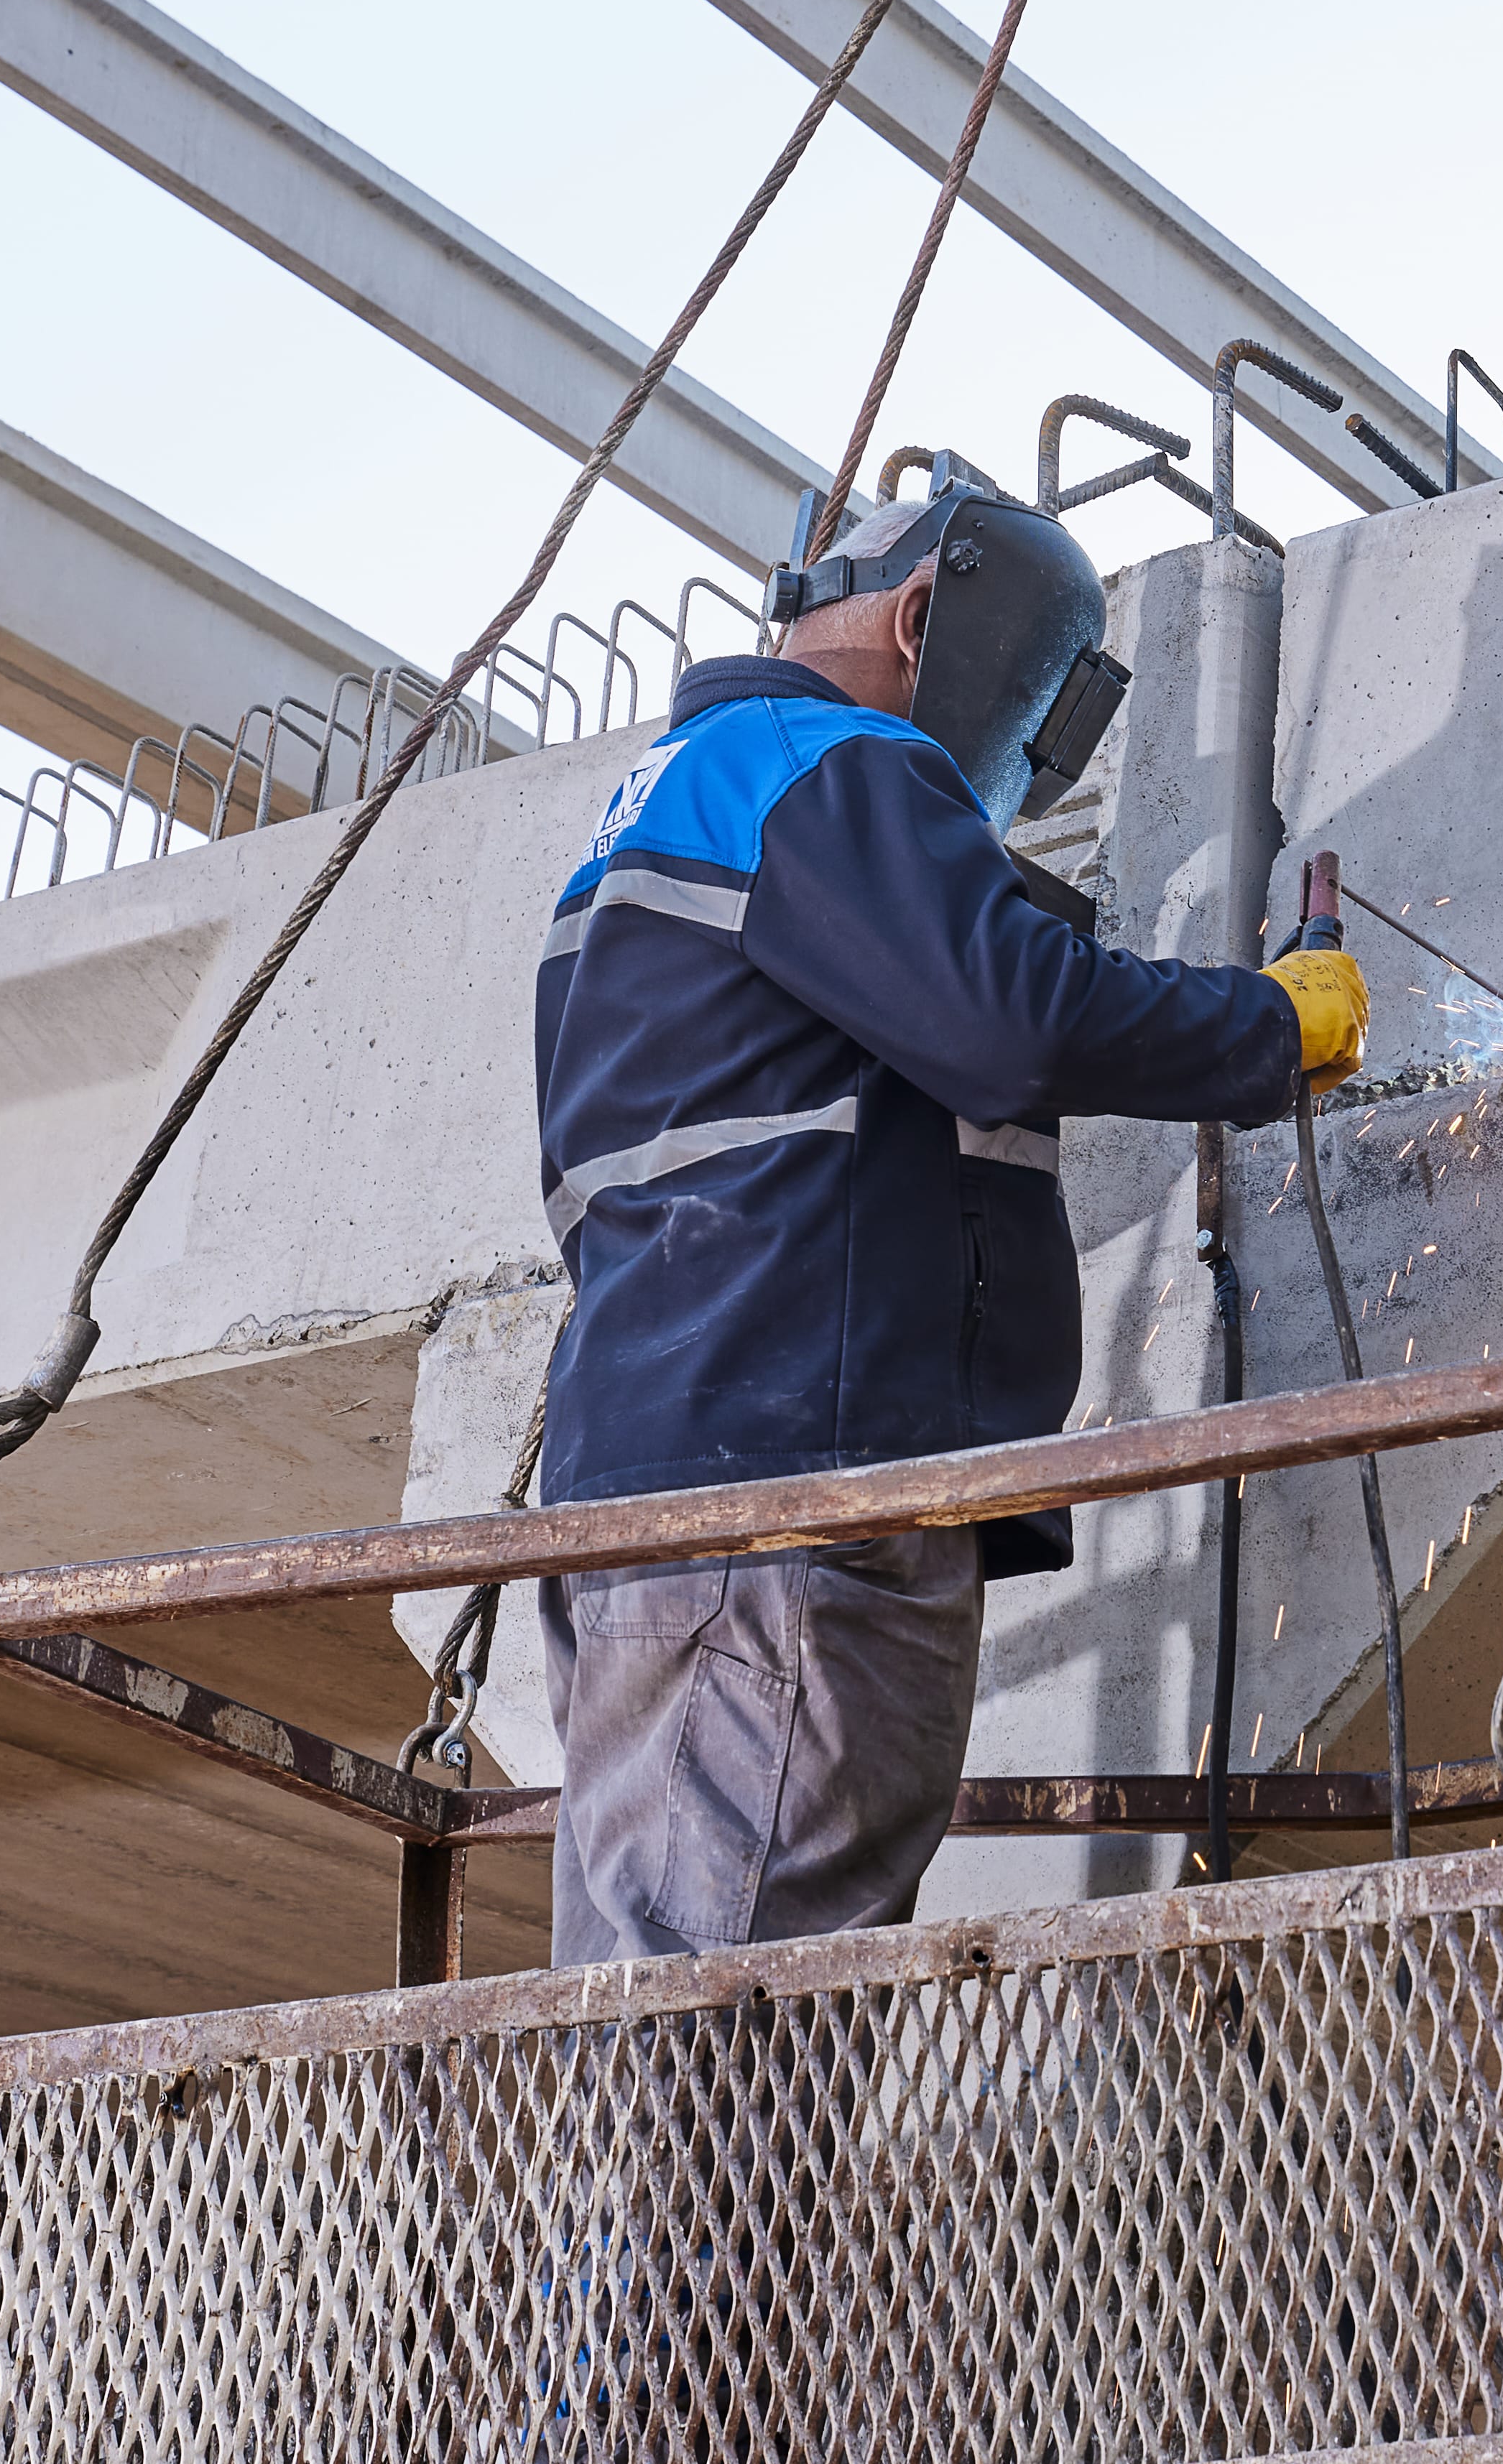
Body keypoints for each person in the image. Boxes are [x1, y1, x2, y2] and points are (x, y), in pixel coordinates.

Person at [520, 458, 1363, 1963]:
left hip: (665, 1481)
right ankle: (691, 2222)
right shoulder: (826, 762)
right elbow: (1004, 1018)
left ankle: (657, 2218)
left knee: (666, 2004)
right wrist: (1263, 1024)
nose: (1003, 784)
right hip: (793, 1493)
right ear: (920, 619)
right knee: (733, 2034)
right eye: (1017, 729)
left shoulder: (664, 808)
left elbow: (834, 1140)